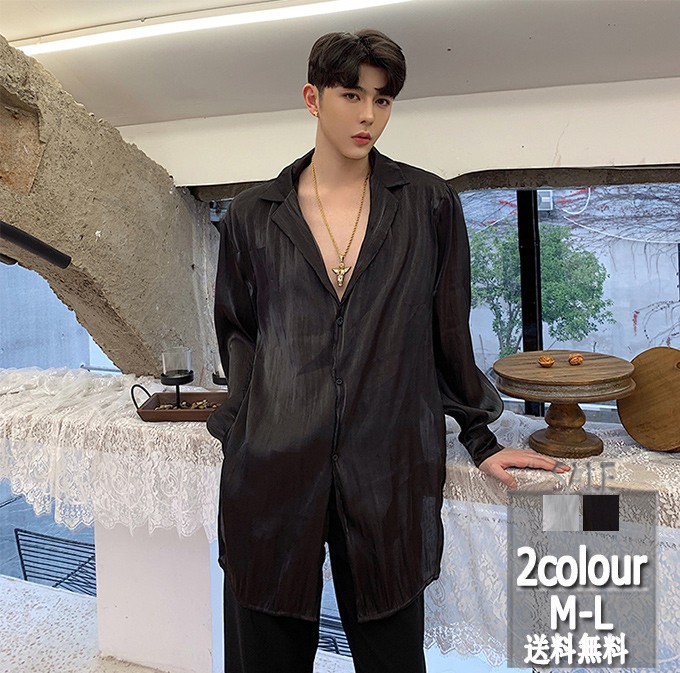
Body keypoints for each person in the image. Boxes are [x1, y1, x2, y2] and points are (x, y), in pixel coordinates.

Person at [207, 28, 567, 673]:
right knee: (263, 653)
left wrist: (479, 436)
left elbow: (446, 330)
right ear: (313, 98)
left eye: (383, 99)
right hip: (272, 467)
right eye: (351, 95)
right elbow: (238, 331)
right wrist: (241, 426)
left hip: (388, 468)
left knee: (392, 655)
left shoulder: (427, 203)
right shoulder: (252, 214)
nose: (368, 115)